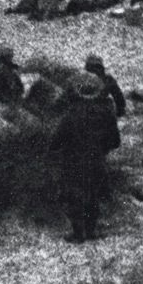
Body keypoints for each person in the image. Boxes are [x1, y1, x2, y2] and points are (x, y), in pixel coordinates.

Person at [51, 76, 121, 241]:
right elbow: (115, 141)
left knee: (74, 196)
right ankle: (91, 231)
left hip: (73, 161)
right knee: (93, 195)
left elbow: (56, 141)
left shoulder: (71, 114)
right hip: (97, 159)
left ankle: (78, 233)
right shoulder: (106, 113)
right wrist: (102, 149)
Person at [83, 54, 126, 119]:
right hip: (87, 111)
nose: (95, 71)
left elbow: (120, 100)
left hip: (98, 111)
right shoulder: (80, 79)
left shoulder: (108, 79)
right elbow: (120, 101)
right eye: (93, 68)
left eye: (97, 68)